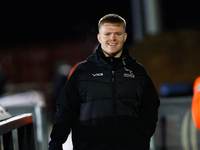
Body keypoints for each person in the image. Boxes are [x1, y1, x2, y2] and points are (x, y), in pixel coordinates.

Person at [49, 14, 160, 150]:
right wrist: (56, 143)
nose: (112, 38)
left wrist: (142, 136)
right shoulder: (82, 72)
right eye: (107, 34)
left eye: (117, 34)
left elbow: (151, 106)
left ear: (124, 37)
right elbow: (66, 110)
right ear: (99, 38)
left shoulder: (137, 71)